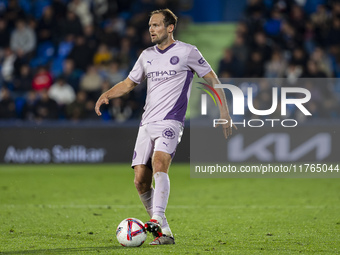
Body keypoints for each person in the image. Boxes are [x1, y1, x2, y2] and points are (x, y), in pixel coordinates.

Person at [95, 9, 234, 245]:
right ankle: (165, 232)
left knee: (159, 162)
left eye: (157, 25)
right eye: (150, 25)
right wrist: (107, 94)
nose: (151, 29)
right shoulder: (146, 55)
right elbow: (129, 83)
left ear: (170, 28)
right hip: (146, 122)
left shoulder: (187, 51)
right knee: (140, 180)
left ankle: (156, 218)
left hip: (171, 120)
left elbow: (211, 78)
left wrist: (224, 110)